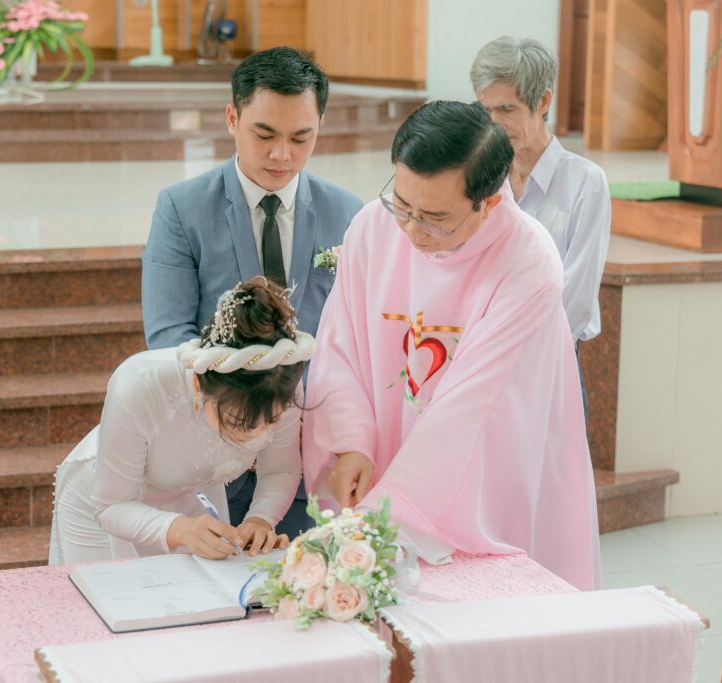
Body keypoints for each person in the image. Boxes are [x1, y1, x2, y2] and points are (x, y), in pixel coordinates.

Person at [302, 101, 601, 591]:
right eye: (402, 204)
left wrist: (387, 515)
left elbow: (472, 410)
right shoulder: (374, 228)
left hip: (483, 473)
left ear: (489, 202)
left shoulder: (527, 262)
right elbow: (341, 345)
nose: (413, 231)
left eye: (435, 218)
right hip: (382, 458)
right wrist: (351, 441)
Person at [142, 46, 362, 538]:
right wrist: (235, 414)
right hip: (213, 449)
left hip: (311, 449)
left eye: (301, 138)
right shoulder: (182, 208)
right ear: (231, 118)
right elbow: (168, 335)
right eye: (264, 134)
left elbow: (354, 337)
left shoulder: (348, 212)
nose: (282, 155)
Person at [49, 278, 313, 565]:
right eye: (239, 421)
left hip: (186, 499)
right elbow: (110, 505)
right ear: (200, 388)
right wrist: (181, 529)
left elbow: (280, 470)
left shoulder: (278, 382)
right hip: (104, 503)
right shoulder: (138, 384)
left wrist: (260, 520)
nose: (258, 434)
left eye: (271, 421)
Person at [471, 35, 610, 419]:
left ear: (543, 101)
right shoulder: (482, 177)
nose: (495, 124)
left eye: (507, 109)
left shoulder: (585, 183)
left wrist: (511, 349)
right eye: (486, 111)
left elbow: (576, 300)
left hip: (551, 367)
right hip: (484, 369)